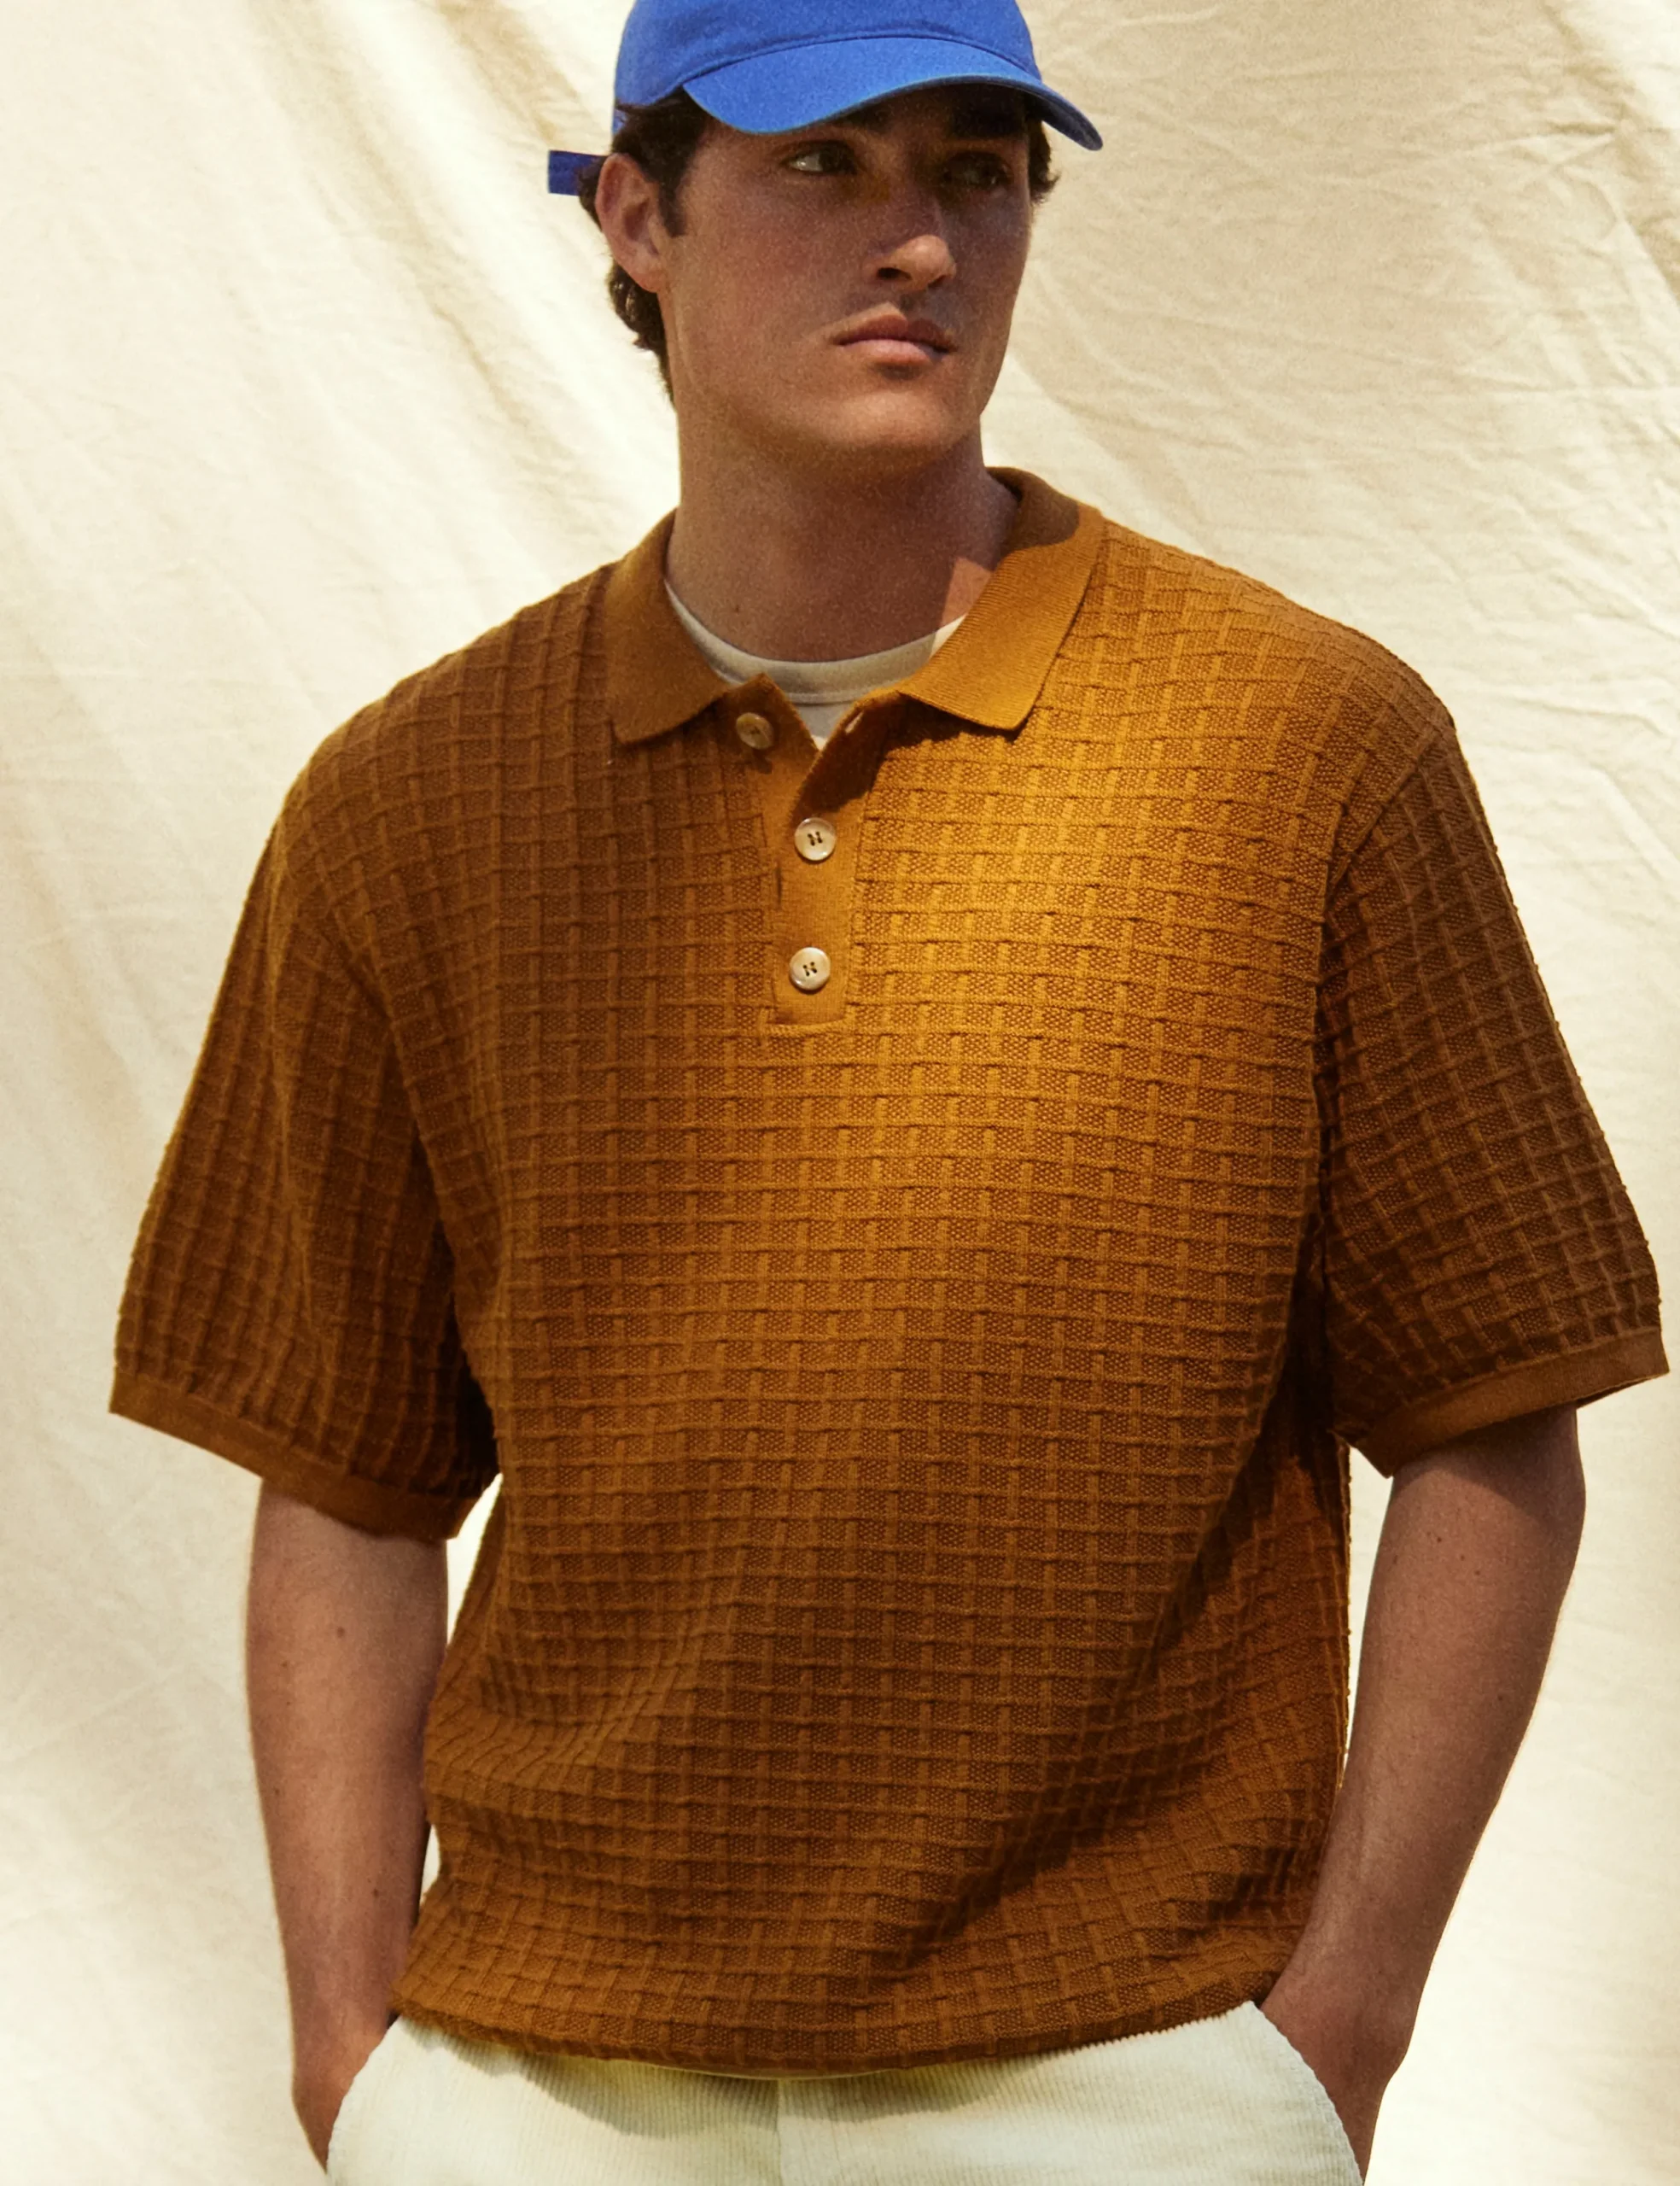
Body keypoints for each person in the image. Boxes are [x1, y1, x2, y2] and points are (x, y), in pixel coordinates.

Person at [110, 1, 1666, 2179]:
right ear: (637, 218)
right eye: (823, 162)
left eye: (977, 170)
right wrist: (353, 2061)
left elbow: (1495, 1415)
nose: (919, 238)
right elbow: (346, 1478)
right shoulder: (410, 803)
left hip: (1126, 2080)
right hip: (535, 2087)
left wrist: (1331, 2038)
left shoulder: (1306, 747)